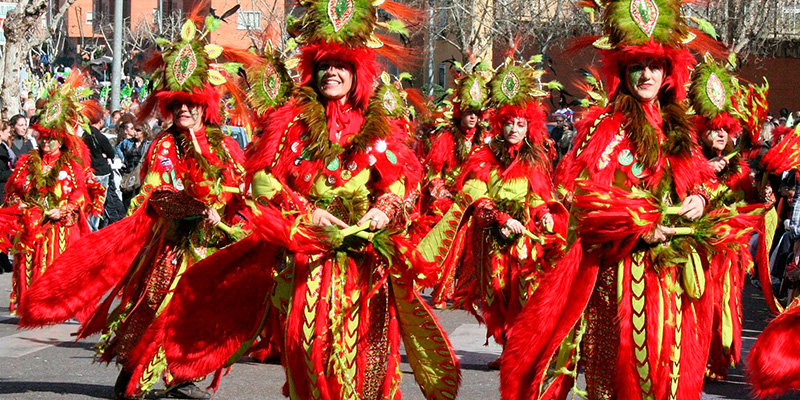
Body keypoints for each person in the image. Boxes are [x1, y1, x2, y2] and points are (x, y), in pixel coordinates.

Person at [152, 1, 461, 398]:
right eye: (324, 65)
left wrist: (382, 212)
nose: (331, 72)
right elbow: (264, 181)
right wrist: (308, 211)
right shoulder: (291, 122)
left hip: (362, 258)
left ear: (358, 73)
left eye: (341, 65)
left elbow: (399, 185)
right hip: (306, 254)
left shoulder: (376, 124)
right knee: (306, 347)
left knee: (364, 354)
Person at [17, 12, 251, 400]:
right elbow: (157, 192)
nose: (184, 112)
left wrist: (229, 214)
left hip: (211, 247)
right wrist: (195, 208)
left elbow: (239, 187)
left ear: (205, 105)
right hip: (169, 247)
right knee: (150, 309)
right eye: (176, 106)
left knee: (194, 316)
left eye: (190, 105)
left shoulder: (225, 146)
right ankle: (131, 374)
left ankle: (182, 376)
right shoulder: (162, 144)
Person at [500, 1, 725, 398]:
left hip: (670, 278)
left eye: (655, 65)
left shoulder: (678, 127)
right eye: (638, 65)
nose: (647, 74)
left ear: (668, 71)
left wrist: (700, 201)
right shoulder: (606, 127)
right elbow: (583, 200)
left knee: (666, 378)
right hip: (619, 276)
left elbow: (699, 180)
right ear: (622, 69)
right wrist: (640, 222)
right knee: (619, 381)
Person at [421, 57, 568, 369]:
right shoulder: (484, 155)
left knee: (522, 294)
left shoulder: (534, 158)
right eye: (509, 123)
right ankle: (507, 350)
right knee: (495, 298)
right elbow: (477, 196)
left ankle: (522, 351)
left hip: (524, 240)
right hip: (491, 237)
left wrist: (543, 214)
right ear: (500, 124)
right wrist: (501, 218)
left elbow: (538, 196)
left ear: (530, 127)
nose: (514, 129)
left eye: (521, 124)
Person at [1, 71, 105, 314]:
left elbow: (80, 194)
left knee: (56, 265)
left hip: (60, 227)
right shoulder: (27, 162)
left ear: (61, 140)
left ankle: (54, 305)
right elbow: (13, 192)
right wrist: (22, 206)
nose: (45, 143)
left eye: (51, 139)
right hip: (31, 224)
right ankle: (31, 305)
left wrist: (64, 209)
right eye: (42, 138)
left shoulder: (71, 164)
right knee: (28, 265)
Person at [84, 110, 117, 229]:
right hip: (101, 173)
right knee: (98, 202)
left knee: (88, 202)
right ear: (100, 121)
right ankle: (93, 228)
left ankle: (88, 226)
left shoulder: (84, 135)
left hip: (88, 172)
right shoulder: (100, 137)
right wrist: (105, 155)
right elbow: (111, 153)